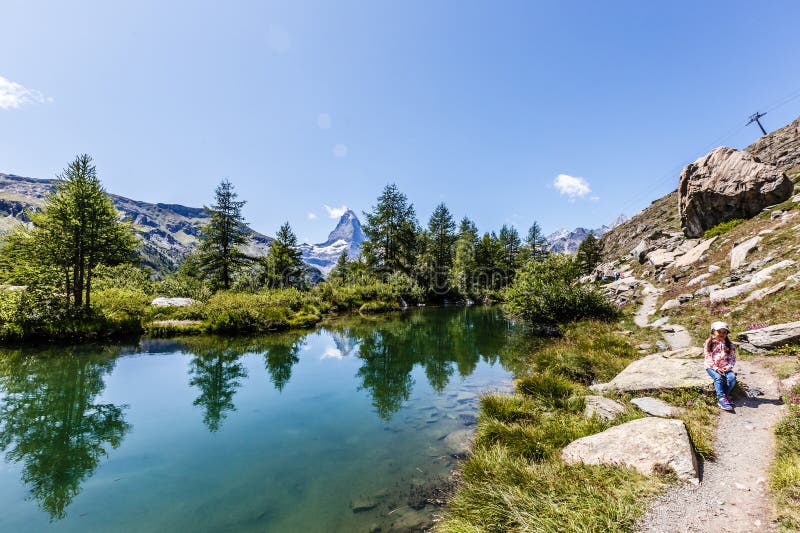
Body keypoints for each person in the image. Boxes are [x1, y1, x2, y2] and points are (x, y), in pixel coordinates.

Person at [704, 321, 736, 411]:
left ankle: (725, 395)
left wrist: (728, 367)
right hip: (711, 367)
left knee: (732, 378)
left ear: (727, 333)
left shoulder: (729, 345)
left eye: (724, 332)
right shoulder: (709, 343)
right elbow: (708, 358)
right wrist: (716, 368)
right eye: (719, 332)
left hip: (724, 367)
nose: (722, 334)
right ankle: (721, 399)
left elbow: (732, 358)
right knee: (718, 378)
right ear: (713, 332)